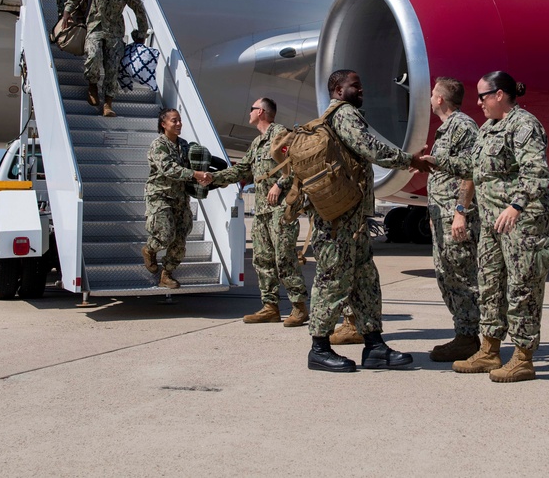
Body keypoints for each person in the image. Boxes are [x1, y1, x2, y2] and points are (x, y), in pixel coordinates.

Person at [432, 71, 549, 383]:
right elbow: (475, 171)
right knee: (489, 286)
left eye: (483, 96)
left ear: (500, 94)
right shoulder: (488, 129)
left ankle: (523, 356)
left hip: (523, 223)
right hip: (491, 223)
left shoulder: (523, 124)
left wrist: (516, 205)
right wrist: (434, 163)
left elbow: (536, 172)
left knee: (522, 287)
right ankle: (489, 349)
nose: (478, 103)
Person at [306, 69, 434, 373]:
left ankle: (375, 346)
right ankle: (319, 348)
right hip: (340, 222)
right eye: (354, 85)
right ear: (337, 90)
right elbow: (370, 147)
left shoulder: (338, 117)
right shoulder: (344, 115)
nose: (360, 89)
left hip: (353, 222)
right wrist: (410, 160)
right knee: (332, 281)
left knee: (365, 283)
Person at [200, 97, 310, 327]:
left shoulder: (281, 134)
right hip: (261, 211)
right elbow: (241, 170)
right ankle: (270, 307)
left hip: (281, 209)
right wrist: (213, 178)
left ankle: (299, 307)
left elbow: (298, 162)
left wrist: (280, 183)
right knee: (262, 259)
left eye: (252, 109)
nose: (248, 112)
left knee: (284, 258)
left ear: (260, 112)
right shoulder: (258, 142)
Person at [425, 77, 481, 361]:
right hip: (443, 215)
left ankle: (469, 337)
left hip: (456, 217)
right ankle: (464, 333)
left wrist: (460, 212)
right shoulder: (446, 129)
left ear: (440, 100)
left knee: (461, 276)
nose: (430, 96)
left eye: (433, 93)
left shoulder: (463, 126)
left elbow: (471, 172)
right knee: (447, 275)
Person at [64, 0, 148, 118]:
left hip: (115, 32)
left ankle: (108, 104)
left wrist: (141, 34)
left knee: (112, 68)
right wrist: (68, 10)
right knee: (93, 56)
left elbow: (139, 11)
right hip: (95, 27)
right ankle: (93, 85)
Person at [143, 108, 199, 289]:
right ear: (164, 124)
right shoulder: (158, 145)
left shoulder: (184, 145)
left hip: (180, 198)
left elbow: (196, 161)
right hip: (160, 196)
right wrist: (195, 174)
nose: (179, 124)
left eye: (180, 120)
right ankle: (149, 249)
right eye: (174, 121)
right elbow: (168, 169)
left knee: (180, 239)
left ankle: (166, 275)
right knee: (166, 234)